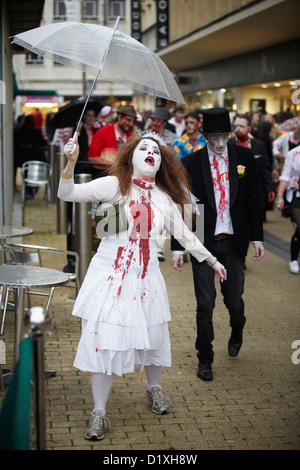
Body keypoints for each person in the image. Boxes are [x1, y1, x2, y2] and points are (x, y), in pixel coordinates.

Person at [58, 132, 226, 440]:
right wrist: (69, 162)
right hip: (110, 276)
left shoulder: (163, 197)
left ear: (161, 163)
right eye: (144, 148)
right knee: (106, 339)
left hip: (147, 278)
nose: (151, 153)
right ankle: (99, 411)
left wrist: (212, 261)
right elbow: (67, 193)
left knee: (152, 337)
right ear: (131, 155)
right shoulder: (114, 185)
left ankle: (154, 388)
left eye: (157, 151)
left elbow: (187, 236)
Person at [171, 107, 264, 381]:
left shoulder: (245, 157)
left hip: (234, 243)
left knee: (234, 301)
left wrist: (257, 237)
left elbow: (253, 200)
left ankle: (237, 328)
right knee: (205, 304)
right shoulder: (190, 162)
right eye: (214, 137)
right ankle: (205, 358)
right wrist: (179, 247)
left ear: (230, 134)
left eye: (224, 136)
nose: (220, 144)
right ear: (205, 136)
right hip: (204, 243)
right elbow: (183, 206)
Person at [140, 108, 177, 261]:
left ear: (164, 122)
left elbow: (176, 160)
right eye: (153, 120)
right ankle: (145, 243)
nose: (155, 123)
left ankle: (159, 248)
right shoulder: (142, 136)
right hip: (144, 178)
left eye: (158, 120)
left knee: (162, 212)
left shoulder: (173, 138)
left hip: (163, 179)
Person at [228, 114, 275, 219]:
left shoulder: (259, 145)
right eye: (236, 125)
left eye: (241, 126)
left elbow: (265, 169)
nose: (238, 128)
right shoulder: (228, 144)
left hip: (254, 193)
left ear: (249, 129)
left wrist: (270, 188)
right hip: (232, 194)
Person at [275, 144, 300, 274]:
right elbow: (284, 177)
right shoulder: (293, 154)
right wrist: (279, 196)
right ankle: (294, 259)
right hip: (296, 197)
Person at [87, 105, 136, 169]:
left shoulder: (131, 137)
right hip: (103, 175)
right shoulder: (102, 132)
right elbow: (92, 158)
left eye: (133, 121)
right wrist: (114, 166)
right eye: (129, 120)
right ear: (119, 117)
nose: (131, 124)